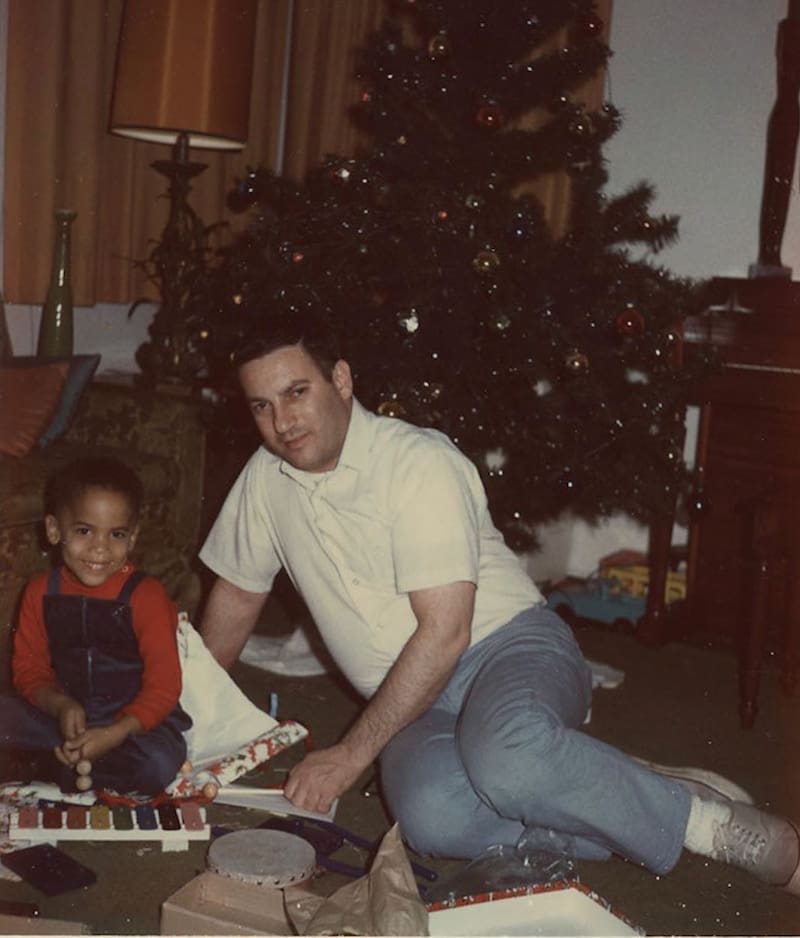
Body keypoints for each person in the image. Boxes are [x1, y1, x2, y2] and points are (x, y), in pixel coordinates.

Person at [199, 306, 800, 895]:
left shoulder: (417, 463)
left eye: (296, 392)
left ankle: (705, 821)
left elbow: (445, 635)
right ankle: (606, 784)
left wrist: (352, 755)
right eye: (262, 405)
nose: (282, 422)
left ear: (341, 380)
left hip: (506, 648)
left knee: (507, 759)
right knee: (431, 817)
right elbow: (237, 595)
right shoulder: (264, 479)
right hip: (408, 701)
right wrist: (185, 717)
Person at [0, 457, 191, 795]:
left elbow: (163, 687)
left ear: (132, 538)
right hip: (63, 717)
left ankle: (51, 767)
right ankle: (66, 764)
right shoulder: (39, 591)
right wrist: (60, 705)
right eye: (84, 530)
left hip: (132, 724)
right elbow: (29, 670)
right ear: (54, 530)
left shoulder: (147, 596)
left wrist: (117, 731)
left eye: (116, 534)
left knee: (158, 763)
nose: (100, 547)